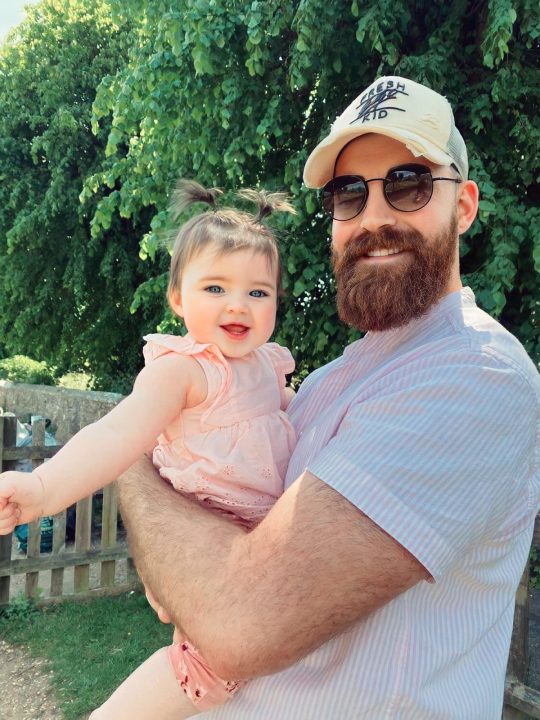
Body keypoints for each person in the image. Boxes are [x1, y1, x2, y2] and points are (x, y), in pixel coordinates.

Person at [113, 76, 540, 719]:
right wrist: (185, 563)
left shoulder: (474, 372)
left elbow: (237, 621)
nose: (373, 216)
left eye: (409, 184)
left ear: (464, 205)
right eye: (349, 193)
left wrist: (128, 457)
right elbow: (193, 579)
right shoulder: (324, 383)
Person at [0, 181, 297, 719]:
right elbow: (117, 435)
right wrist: (43, 489)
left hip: (258, 540)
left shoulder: (269, 366)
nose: (238, 304)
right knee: (208, 666)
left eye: (258, 292)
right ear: (178, 298)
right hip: (207, 538)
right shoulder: (183, 371)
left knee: (248, 662)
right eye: (215, 288)